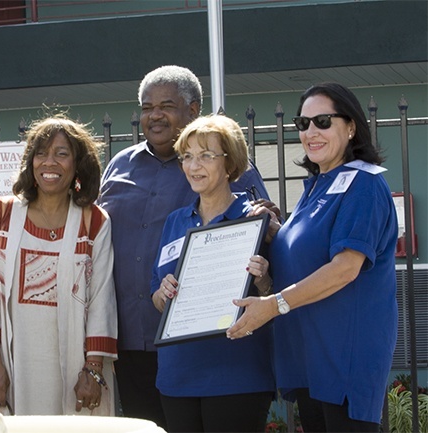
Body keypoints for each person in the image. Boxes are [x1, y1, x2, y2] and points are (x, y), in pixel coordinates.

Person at [97, 64, 270, 426]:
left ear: (193, 110)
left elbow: (261, 235)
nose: (155, 115)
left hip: (213, 344)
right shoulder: (118, 166)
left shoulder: (235, 170)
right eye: (147, 107)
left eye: (166, 105)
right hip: (131, 337)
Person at [227, 82, 398, 432]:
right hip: (311, 359)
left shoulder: (363, 184)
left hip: (344, 362)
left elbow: (345, 269)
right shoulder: (317, 186)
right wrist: (273, 232)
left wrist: (272, 305)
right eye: (302, 124)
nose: (311, 132)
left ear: (351, 127)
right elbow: (303, 255)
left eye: (323, 121)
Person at [0, 116, 117, 416]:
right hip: (16, 366)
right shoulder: (1, 215)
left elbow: (102, 298)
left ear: (78, 164)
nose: (49, 163)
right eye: (41, 153)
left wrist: (93, 370)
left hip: (79, 370)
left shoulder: (95, 221)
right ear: (30, 162)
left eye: (62, 154)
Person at [150, 114, 275, 432]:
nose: (194, 166)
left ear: (230, 163)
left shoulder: (255, 220)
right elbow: (155, 297)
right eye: (187, 157)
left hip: (237, 376)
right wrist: (164, 293)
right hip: (178, 377)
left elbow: (277, 295)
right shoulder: (175, 221)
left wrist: (262, 279)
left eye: (206, 156)